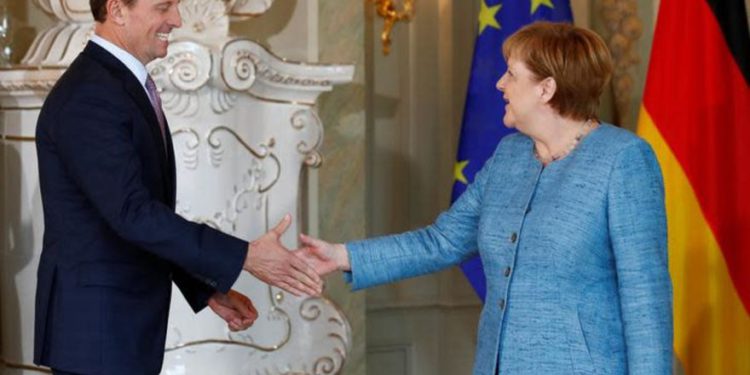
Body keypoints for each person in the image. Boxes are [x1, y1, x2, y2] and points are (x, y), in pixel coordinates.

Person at [296, 22, 673, 374]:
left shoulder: (624, 159)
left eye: (511, 74)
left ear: (546, 89)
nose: (499, 84)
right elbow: (442, 241)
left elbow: (645, 296)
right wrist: (342, 255)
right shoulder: (509, 155)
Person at [33, 0, 322, 374]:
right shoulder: (91, 95)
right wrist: (246, 256)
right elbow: (133, 215)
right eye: (163, 7)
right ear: (117, 9)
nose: (178, 19)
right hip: (97, 337)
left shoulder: (116, 84)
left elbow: (137, 219)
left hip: (113, 333)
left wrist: (204, 288)